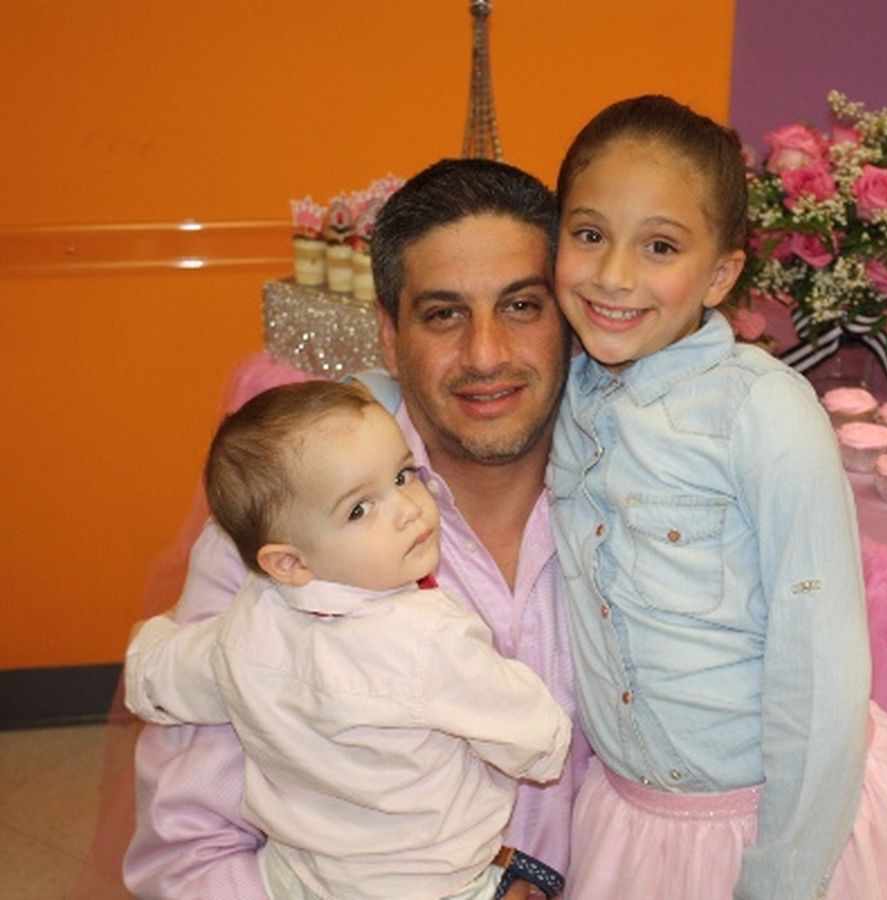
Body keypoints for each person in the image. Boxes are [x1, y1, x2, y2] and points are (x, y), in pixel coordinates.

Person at [547, 95, 887, 899]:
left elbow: (818, 667)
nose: (613, 275)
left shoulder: (764, 412)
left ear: (721, 274)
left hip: (784, 828)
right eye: (588, 235)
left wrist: (783, 877)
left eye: (659, 246)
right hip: (634, 829)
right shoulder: (561, 393)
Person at [123, 158, 589, 898]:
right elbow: (191, 858)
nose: (486, 354)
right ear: (389, 335)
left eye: (521, 306)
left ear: (569, 320)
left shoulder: (645, 498)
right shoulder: (284, 542)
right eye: (443, 314)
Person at [123, 380, 571, 899]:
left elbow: (165, 675)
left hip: (300, 878)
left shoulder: (245, 628)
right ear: (288, 561)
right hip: (430, 884)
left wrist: (144, 654)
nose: (408, 508)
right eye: (359, 509)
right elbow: (536, 734)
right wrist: (541, 748)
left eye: (403, 476)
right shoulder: (428, 638)